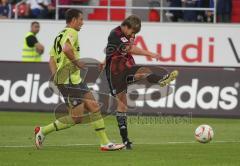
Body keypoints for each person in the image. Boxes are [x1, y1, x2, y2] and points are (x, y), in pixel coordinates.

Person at [34, 9, 125, 151]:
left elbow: (51, 59)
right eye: (81, 19)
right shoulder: (72, 32)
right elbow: (66, 49)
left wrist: (56, 76)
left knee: (94, 107)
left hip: (73, 80)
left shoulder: (59, 35)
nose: (83, 23)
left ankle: (105, 143)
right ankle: (42, 131)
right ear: (74, 20)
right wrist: (77, 63)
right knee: (76, 118)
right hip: (69, 81)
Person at [104, 15, 178, 149]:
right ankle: (126, 141)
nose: (133, 35)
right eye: (132, 32)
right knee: (122, 106)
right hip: (114, 73)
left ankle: (161, 80)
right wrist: (150, 54)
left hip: (126, 67)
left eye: (135, 33)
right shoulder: (115, 33)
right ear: (125, 26)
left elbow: (115, 50)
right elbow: (129, 49)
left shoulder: (129, 34)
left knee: (144, 71)